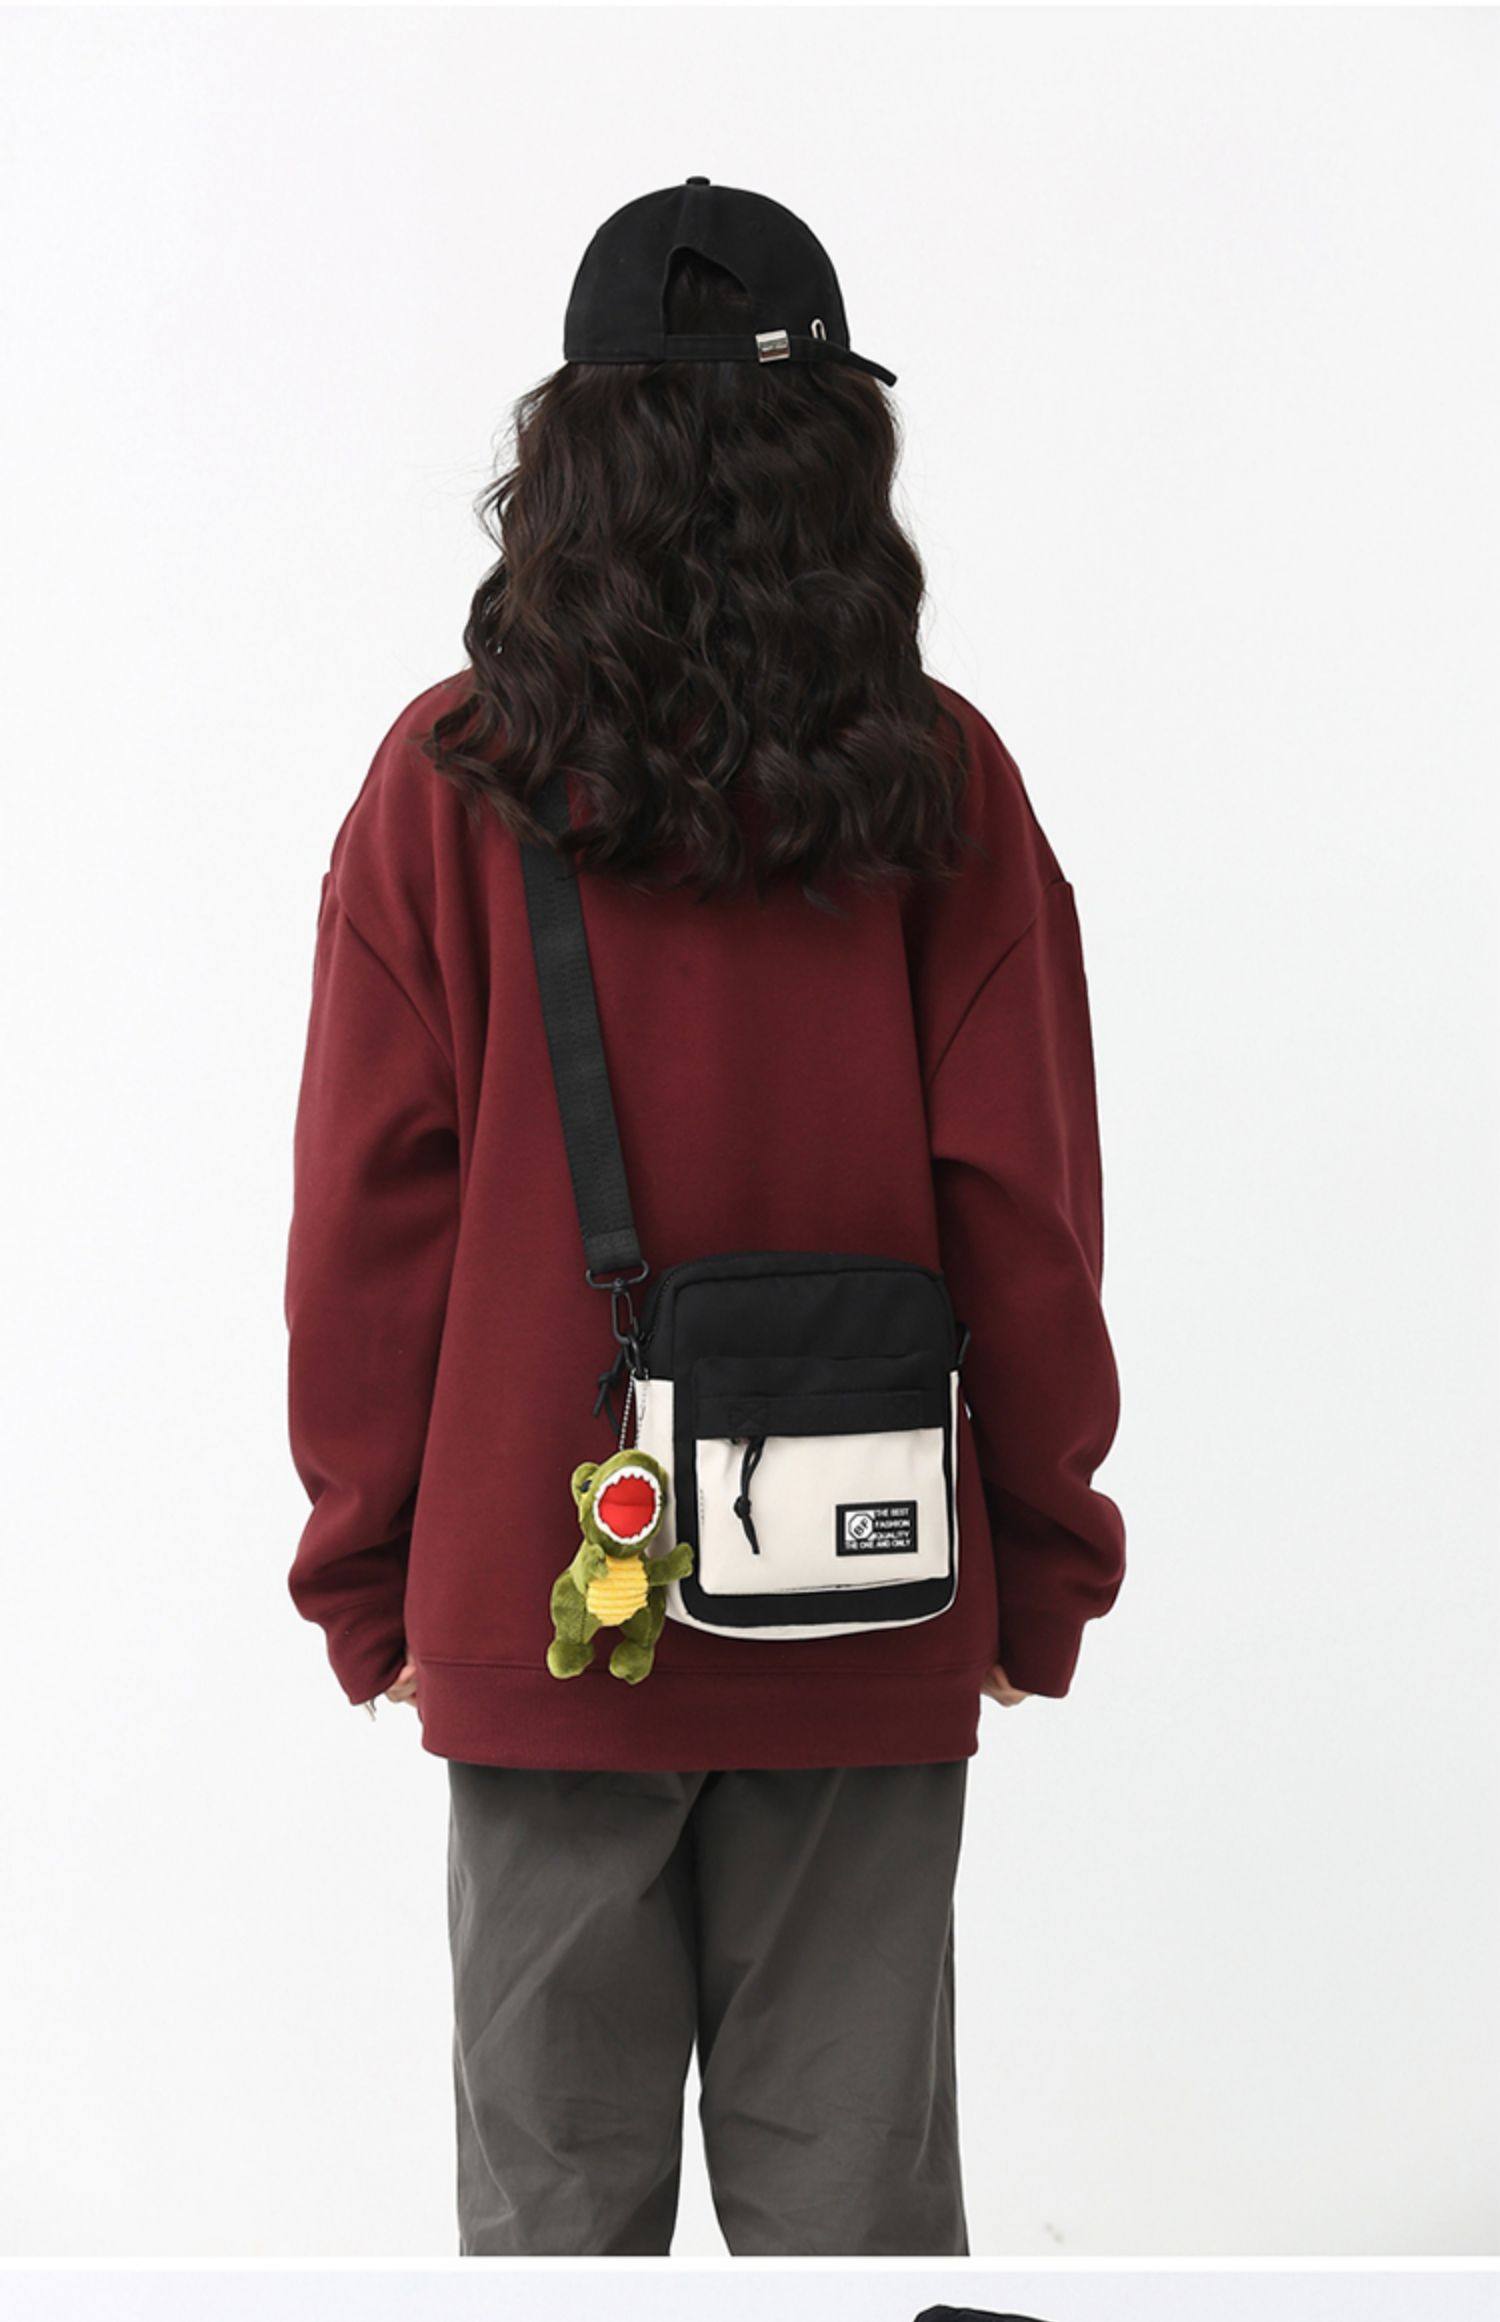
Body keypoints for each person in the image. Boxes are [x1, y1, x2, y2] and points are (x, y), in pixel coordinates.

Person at [286, 178, 1125, 2258]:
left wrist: (370, 1573)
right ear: (837, 453)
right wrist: (1040, 1570)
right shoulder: (942, 784)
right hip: (871, 1593)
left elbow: (365, 1229)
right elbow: (1024, 1211)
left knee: (552, 2248)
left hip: (543, 1596)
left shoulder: (444, 786)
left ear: (566, 458)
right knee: (858, 2239)